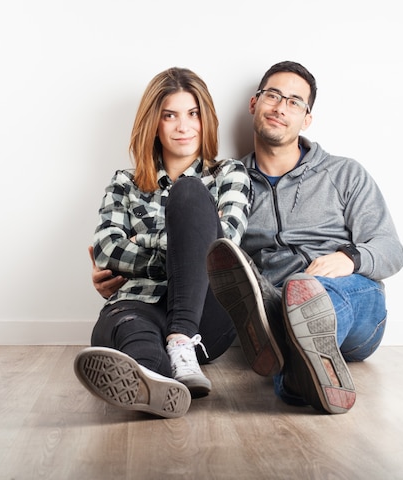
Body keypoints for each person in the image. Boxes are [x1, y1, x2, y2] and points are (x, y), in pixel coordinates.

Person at [93, 61, 403, 416]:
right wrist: (162, 259)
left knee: (313, 296)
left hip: (349, 295)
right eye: (273, 95)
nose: (280, 107)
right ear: (254, 104)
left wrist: (348, 257)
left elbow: (391, 249)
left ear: (307, 118)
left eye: (294, 101)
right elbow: (209, 256)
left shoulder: (343, 174)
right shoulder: (238, 177)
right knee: (280, 327)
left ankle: (305, 339)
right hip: (273, 308)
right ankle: (294, 373)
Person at [75, 67, 251, 419]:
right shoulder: (124, 182)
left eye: (192, 114)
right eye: (169, 116)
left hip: (205, 312)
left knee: (188, 192)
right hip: (137, 302)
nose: (183, 127)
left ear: (206, 119)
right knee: (130, 325)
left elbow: (223, 245)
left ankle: (181, 341)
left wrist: (144, 243)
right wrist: (182, 253)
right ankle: (152, 383)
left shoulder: (228, 174)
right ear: (154, 122)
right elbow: (108, 248)